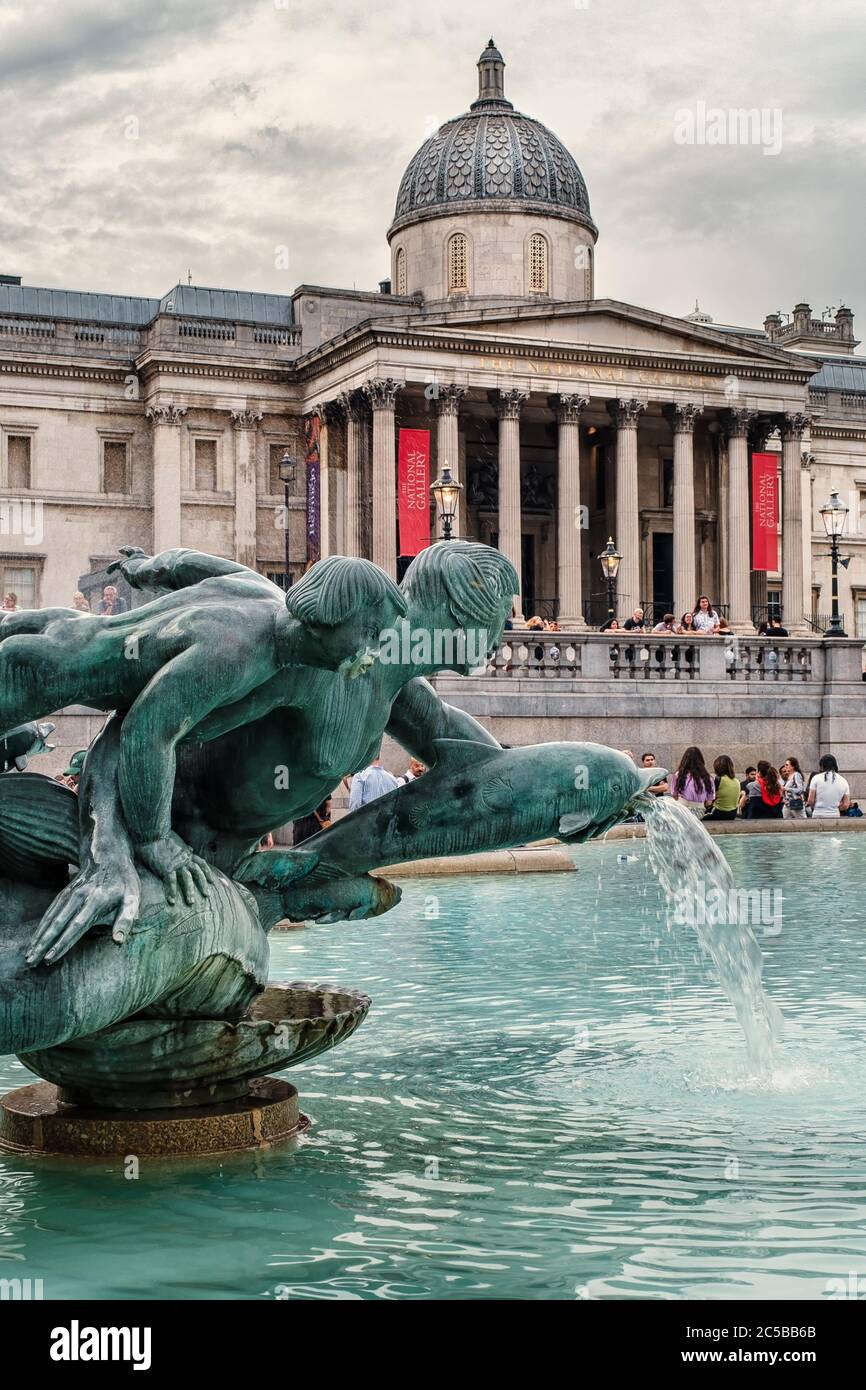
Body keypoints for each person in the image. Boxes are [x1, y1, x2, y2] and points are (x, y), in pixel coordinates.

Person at [669, 745, 714, 816]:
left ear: (685, 760)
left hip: (682, 810)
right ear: (701, 760)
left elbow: (674, 795)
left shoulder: (678, 775)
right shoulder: (708, 778)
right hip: (699, 811)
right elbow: (709, 802)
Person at [808, 754, 851, 819]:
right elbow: (846, 805)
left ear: (822, 766)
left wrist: (817, 807)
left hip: (818, 814)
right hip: (834, 815)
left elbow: (810, 801)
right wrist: (835, 808)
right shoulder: (843, 781)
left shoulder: (816, 778)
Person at [704, 754, 741, 820]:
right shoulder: (737, 781)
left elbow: (708, 803)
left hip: (719, 813)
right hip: (733, 814)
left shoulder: (719, 779)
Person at [780, 755, 806, 820]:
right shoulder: (790, 776)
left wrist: (786, 788)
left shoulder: (796, 775)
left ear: (793, 766)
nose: (785, 766)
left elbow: (800, 789)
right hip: (788, 804)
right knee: (786, 822)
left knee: (801, 822)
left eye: (787, 765)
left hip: (795, 804)